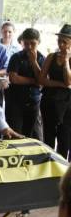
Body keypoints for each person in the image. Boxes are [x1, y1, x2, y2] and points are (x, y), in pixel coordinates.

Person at [4, 28, 45, 138]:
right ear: (22, 43)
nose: (29, 47)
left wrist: (34, 62)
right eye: (26, 44)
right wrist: (34, 80)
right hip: (15, 101)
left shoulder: (42, 58)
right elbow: (14, 78)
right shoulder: (16, 57)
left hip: (34, 102)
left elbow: (42, 82)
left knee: (33, 135)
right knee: (14, 134)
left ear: (38, 43)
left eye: (33, 43)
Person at [39, 24, 71, 160]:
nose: (61, 45)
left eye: (65, 42)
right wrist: (59, 84)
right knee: (49, 137)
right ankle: (49, 165)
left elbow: (68, 81)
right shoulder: (51, 56)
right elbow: (41, 79)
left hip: (67, 104)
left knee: (64, 139)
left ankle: (61, 168)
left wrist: (66, 62)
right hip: (50, 101)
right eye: (60, 41)